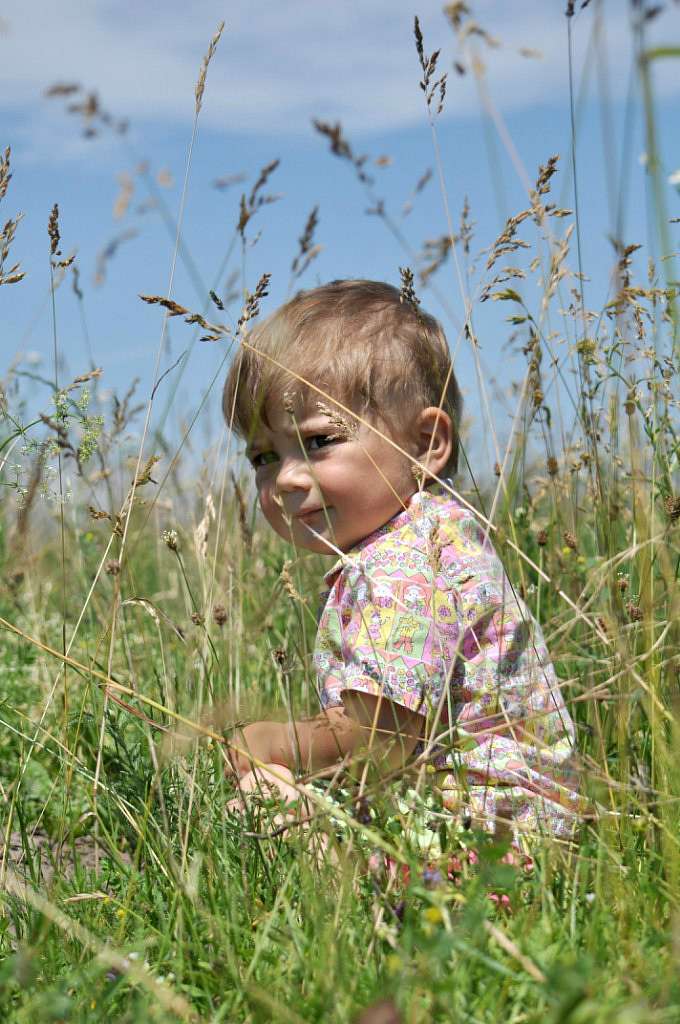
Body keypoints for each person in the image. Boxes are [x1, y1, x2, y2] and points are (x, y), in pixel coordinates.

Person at [222, 279, 580, 841]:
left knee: (261, 798)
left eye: (318, 442)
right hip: (517, 825)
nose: (286, 478)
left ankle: (341, 887)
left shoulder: (399, 568)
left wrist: (272, 740)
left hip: (476, 838)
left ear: (426, 443)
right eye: (264, 456)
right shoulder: (436, 534)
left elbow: (379, 737)